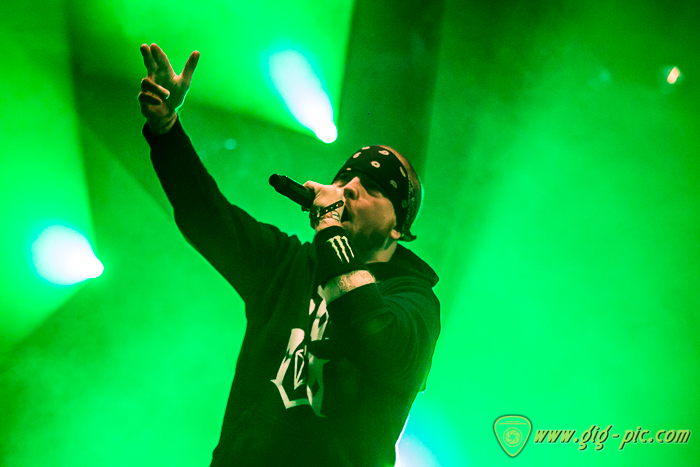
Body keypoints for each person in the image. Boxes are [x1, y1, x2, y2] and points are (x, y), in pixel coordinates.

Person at [138, 43, 440, 467]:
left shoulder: (415, 301)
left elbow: (374, 336)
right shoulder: (288, 265)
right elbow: (207, 215)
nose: (349, 189)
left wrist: (330, 228)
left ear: (398, 227)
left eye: (372, 188)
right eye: (344, 180)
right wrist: (166, 129)